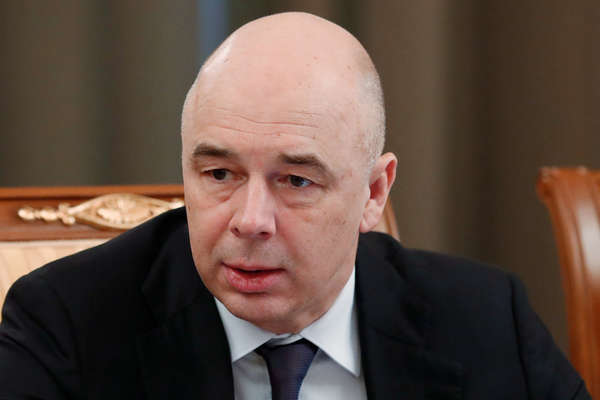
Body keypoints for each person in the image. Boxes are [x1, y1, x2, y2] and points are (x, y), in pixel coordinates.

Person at [0, 12, 590, 400]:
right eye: (219, 174)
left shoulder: (487, 321)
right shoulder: (69, 324)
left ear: (374, 193)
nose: (250, 220)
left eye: (296, 181)